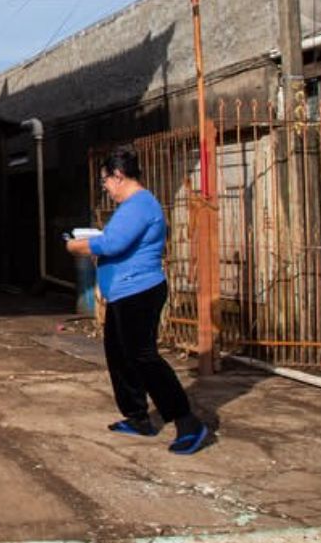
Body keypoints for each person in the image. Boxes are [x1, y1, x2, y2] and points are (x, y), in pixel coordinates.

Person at [65, 146, 211, 455]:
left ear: (118, 176)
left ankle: (187, 421)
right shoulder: (130, 206)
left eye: (105, 180)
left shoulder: (140, 204)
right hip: (123, 293)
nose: (105, 187)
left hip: (139, 293)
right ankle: (137, 417)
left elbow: (112, 243)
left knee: (144, 357)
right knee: (120, 356)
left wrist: (77, 246)